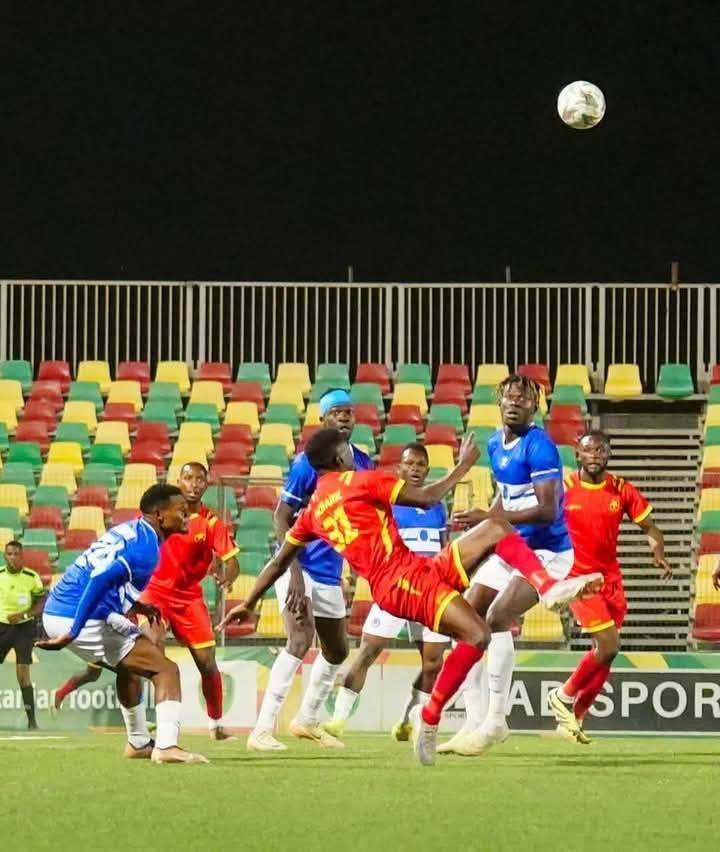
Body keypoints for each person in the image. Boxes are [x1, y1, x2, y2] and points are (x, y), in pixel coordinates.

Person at [218, 427, 598, 766]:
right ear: (339, 458)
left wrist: (248, 602)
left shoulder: (313, 511)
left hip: (416, 571)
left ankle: (547, 590)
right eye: (348, 448)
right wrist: (464, 466)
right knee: (478, 635)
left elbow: (278, 561)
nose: (354, 452)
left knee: (495, 526)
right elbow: (428, 497)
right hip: (403, 583)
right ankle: (431, 717)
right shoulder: (360, 481)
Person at [440, 374, 598, 756]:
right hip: (511, 545)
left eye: (523, 399)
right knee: (465, 623)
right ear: (499, 402)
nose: (514, 403)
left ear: (535, 407)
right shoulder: (496, 443)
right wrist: (484, 525)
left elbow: (547, 510)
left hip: (548, 553)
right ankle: (473, 720)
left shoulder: (541, 447)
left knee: (494, 621)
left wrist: (493, 520)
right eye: (509, 397)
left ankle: (496, 720)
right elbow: (504, 497)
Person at [37, 484, 208, 765]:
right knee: (166, 670)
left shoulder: (134, 531)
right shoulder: (146, 549)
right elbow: (100, 579)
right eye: (181, 510)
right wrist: (74, 631)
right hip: (77, 615)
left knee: (129, 668)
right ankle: (166, 747)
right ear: (159, 514)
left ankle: (139, 743)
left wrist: (139, 606)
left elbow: (107, 579)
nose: (187, 514)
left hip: (62, 609)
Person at [246, 388, 373, 752]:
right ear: (324, 419)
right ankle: (262, 729)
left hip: (331, 571)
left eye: (349, 412)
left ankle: (307, 719)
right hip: (298, 564)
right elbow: (281, 516)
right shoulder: (308, 463)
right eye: (338, 413)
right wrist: (294, 574)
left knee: (336, 651)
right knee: (299, 640)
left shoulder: (364, 463)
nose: (345, 418)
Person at [547, 429, 671, 741]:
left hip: (610, 579)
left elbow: (650, 526)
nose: (595, 456)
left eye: (601, 451)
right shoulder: (563, 488)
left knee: (607, 651)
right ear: (578, 454)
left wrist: (657, 550)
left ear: (608, 455)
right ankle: (563, 696)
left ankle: (574, 719)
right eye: (589, 450)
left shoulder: (620, 489)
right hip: (578, 580)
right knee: (609, 645)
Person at [322, 442, 449, 741]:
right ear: (400, 468)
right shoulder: (387, 501)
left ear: (427, 470)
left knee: (433, 663)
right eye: (410, 464)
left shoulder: (437, 506)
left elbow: (443, 547)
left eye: (421, 465)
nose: (415, 470)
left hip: (428, 590)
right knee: (368, 651)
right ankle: (337, 720)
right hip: (393, 588)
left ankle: (408, 719)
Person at [140, 462, 239, 740]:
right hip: (155, 593)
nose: (194, 484)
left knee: (207, 662)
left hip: (189, 597)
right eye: (188, 478)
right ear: (179, 482)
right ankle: (159, 719)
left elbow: (232, 561)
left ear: (206, 484)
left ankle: (216, 724)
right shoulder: (163, 516)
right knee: (152, 647)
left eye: (200, 479)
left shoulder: (210, 522)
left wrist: (228, 576)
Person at [0, 541, 46, 729]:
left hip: (24, 629)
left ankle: (32, 721)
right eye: (9, 554)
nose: (12, 557)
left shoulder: (31, 577)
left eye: (16, 554)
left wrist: (24, 615)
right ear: (5, 556)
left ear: (22, 556)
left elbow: (41, 602)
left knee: (23, 674)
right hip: (1, 627)